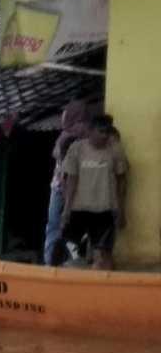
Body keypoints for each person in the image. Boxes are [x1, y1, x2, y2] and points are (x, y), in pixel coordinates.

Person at [61, 115, 128, 270]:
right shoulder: (76, 149)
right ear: (90, 131)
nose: (104, 136)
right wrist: (66, 210)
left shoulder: (115, 150)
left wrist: (121, 209)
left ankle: (106, 290)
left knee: (103, 256)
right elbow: (71, 180)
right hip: (78, 209)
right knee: (73, 254)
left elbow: (122, 181)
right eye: (101, 131)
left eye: (107, 132)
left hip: (104, 210)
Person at [44, 101, 87, 265]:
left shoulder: (89, 139)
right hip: (59, 188)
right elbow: (56, 154)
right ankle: (50, 263)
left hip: (78, 190)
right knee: (54, 224)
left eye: (74, 123)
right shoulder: (64, 136)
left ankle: (72, 262)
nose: (68, 126)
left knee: (73, 228)